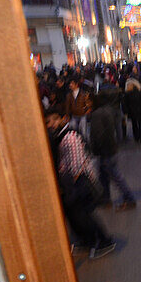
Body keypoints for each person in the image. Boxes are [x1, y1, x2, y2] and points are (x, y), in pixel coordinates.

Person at [45, 107, 115, 259]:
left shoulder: (70, 136)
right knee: (75, 216)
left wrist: (69, 185)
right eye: (48, 122)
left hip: (79, 182)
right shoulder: (59, 135)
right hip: (71, 183)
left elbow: (76, 165)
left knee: (83, 215)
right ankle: (87, 241)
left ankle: (104, 241)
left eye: (52, 121)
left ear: (63, 119)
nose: (50, 124)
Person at [88, 94, 136, 211]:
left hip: (105, 151)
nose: (86, 104)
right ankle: (105, 200)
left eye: (88, 102)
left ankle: (129, 199)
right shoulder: (107, 110)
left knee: (115, 176)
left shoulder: (96, 115)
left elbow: (98, 135)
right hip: (111, 149)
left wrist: (94, 150)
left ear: (93, 102)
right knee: (103, 176)